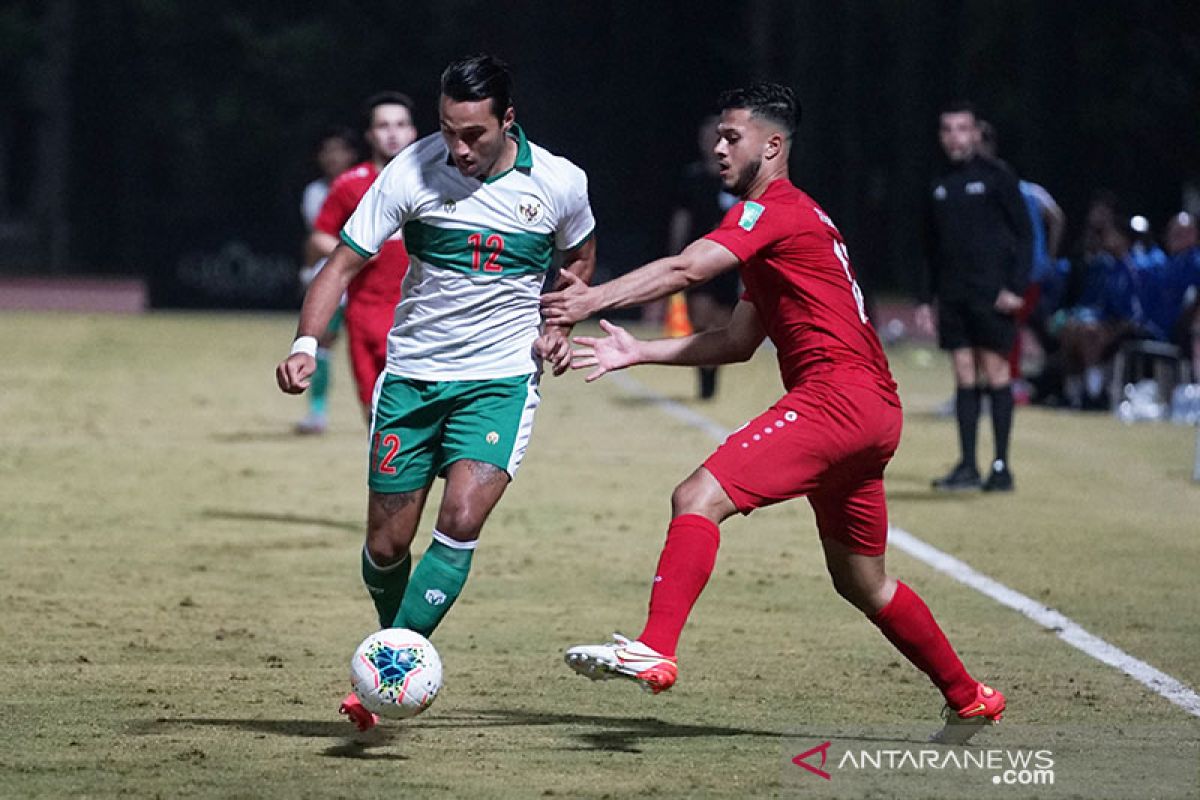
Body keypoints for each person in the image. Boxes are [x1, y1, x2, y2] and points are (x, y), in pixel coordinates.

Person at [541, 83, 1004, 745]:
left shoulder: (775, 212)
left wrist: (593, 298)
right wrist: (639, 351)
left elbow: (684, 266)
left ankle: (655, 647)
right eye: (718, 136)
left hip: (837, 399)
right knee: (862, 582)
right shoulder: (779, 225)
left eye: (733, 137)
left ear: (773, 145)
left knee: (696, 495)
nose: (718, 147)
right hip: (871, 411)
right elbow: (735, 341)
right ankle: (969, 696)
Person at [276, 54, 596, 731]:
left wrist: (558, 322)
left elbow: (579, 258)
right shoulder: (410, 172)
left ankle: (382, 679)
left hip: (501, 381)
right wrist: (306, 344)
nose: (458, 148)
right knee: (389, 547)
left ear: (508, 120)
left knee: (461, 521)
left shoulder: (561, 183)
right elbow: (338, 266)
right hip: (413, 379)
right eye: (449, 129)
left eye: (473, 134)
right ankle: (399, 644)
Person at [916, 102, 1032, 493]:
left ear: (975, 133)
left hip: (992, 295)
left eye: (962, 128)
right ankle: (967, 465)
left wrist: (1015, 288)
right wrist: (924, 299)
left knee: (996, 374)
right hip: (952, 296)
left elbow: (1026, 235)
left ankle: (1001, 467)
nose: (955, 137)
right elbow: (929, 247)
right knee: (963, 376)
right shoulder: (936, 183)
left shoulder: (998, 177)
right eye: (947, 129)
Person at [304, 92, 419, 427]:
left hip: (418, 315)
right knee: (375, 416)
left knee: (414, 414)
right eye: (383, 126)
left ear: (413, 132)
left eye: (400, 125)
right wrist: (354, 251)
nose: (392, 133)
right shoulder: (349, 185)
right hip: (364, 314)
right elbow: (320, 235)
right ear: (370, 135)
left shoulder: (436, 181)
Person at [976, 120, 1065, 404]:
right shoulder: (1028, 189)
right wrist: (1049, 255)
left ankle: (1009, 383)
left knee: (1005, 327)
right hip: (1026, 272)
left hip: (1016, 273)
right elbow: (1056, 216)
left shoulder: (1000, 186)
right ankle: (1003, 382)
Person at [668, 115, 740, 399]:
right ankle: (703, 380)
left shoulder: (735, 178)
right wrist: (675, 254)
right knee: (700, 319)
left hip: (730, 260)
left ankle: (712, 378)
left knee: (722, 325)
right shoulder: (693, 178)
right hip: (698, 258)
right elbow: (681, 218)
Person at [295, 127, 360, 434]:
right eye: (327, 151)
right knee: (322, 344)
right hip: (335, 278)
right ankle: (317, 412)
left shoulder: (372, 185)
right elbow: (317, 238)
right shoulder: (315, 193)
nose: (333, 158)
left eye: (339, 150)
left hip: (374, 282)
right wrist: (308, 272)